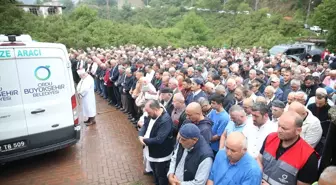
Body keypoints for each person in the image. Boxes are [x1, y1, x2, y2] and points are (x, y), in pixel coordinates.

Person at [258, 111, 319, 185]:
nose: (279, 130)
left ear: (298, 131)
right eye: (279, 126)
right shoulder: (270, 138)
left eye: (284, 128)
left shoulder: (308, 156)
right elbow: (259, 159)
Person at [138, 100, 175, 185]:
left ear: (155, 109)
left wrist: (144, 140)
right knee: (154, 172)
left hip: (161, 154)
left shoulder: (165, 120)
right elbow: (145, 125)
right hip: (152, 151)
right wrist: (140, 135)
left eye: (149, 112)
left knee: (161, 175)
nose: (147, 114)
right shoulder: (152, 114)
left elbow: (159, 139)